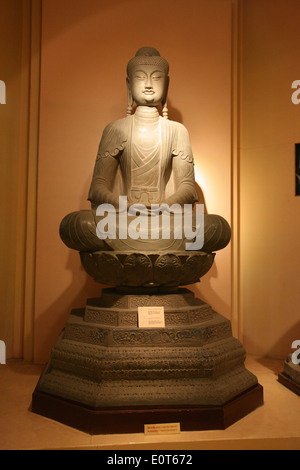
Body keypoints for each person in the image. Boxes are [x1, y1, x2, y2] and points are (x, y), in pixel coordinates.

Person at [59, 47, 230, 253]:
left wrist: (164, 205)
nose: (148, 85)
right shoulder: (115, 129)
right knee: (78, 225)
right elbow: (98, 187)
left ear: (167, 85)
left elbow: (187, 188)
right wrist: (126, 205)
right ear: (129, 84)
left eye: (156, 78)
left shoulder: (177, 131)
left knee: (214, 227)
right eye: (141, 78)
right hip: (125, 216)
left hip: (165, 218)